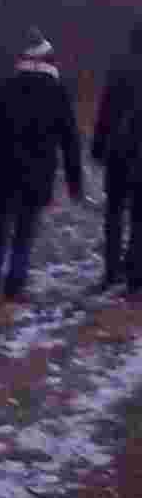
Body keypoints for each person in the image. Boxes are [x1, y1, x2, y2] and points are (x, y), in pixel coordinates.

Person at [0, 27, 83, 315]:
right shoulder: (57, 92)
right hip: (37, 176)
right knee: (24, 234)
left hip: (1, 172)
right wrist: (74, 182)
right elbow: (70, 140)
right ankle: (14, 289)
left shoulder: (5, 87)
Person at [90, 22, 142, 294]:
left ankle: (111, 271)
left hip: (118, 152)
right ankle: (135, 274)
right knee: (139, 216)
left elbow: (106, 111)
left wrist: (98, 147)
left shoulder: (119, 69)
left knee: (114, 212)